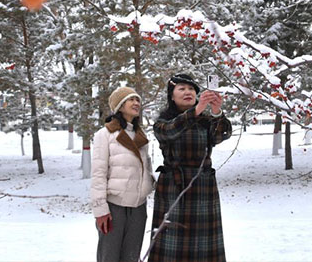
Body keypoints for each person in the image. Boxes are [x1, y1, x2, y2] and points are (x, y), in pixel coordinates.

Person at [149, 73, 232, 262]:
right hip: (173, 188)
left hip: (203, 188)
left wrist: (217, 111)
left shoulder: (205, 120)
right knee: (171, 243)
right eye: (182, 88)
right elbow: (170, 132)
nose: (188, 92)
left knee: (203, 247)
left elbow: (222, 134)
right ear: (172, 95)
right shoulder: (162, 122)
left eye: (191, 89)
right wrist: (197, 110)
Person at [91, 87, 155, 262]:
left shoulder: (140, 135)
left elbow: (144, 168)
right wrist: (100, 209)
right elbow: (98, 174)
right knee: (109, 257)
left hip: (138, 209)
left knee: (131, 258)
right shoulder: (104, 135)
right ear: (119, 106)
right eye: (130, 100)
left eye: (138, 100)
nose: (136, 103)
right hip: (114, 208)